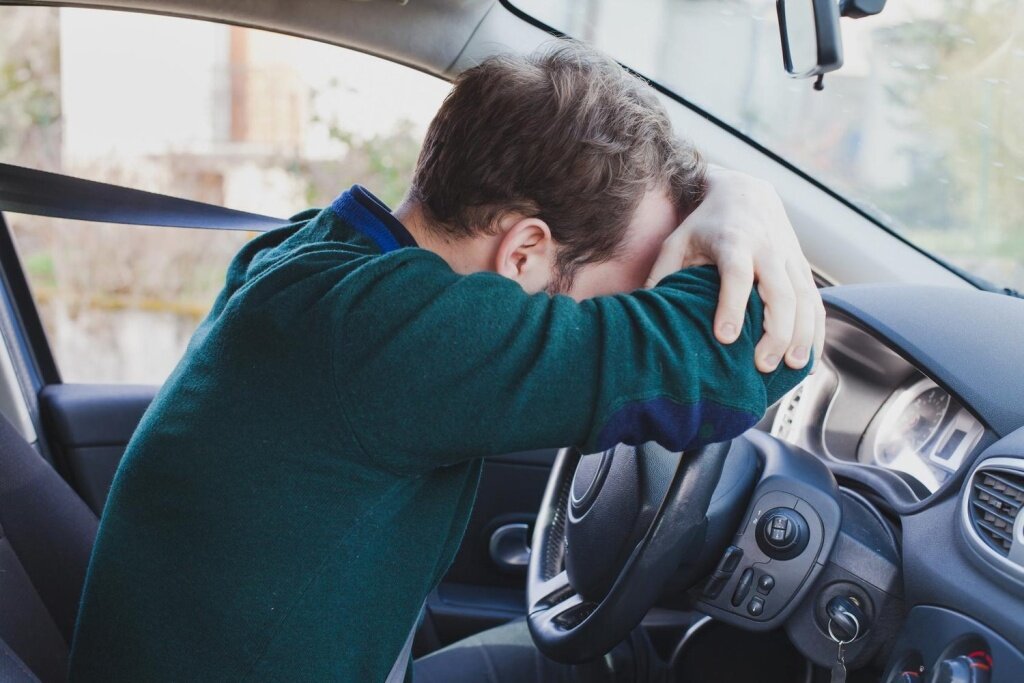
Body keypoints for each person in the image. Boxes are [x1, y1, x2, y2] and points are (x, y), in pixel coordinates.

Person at [69, 41, 823, 682]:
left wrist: (725, 188)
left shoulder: (322, 258)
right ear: (525, 250)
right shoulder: (392, 335)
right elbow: (741, 362)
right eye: (635, 290)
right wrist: (747, 201)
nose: (640, 311)